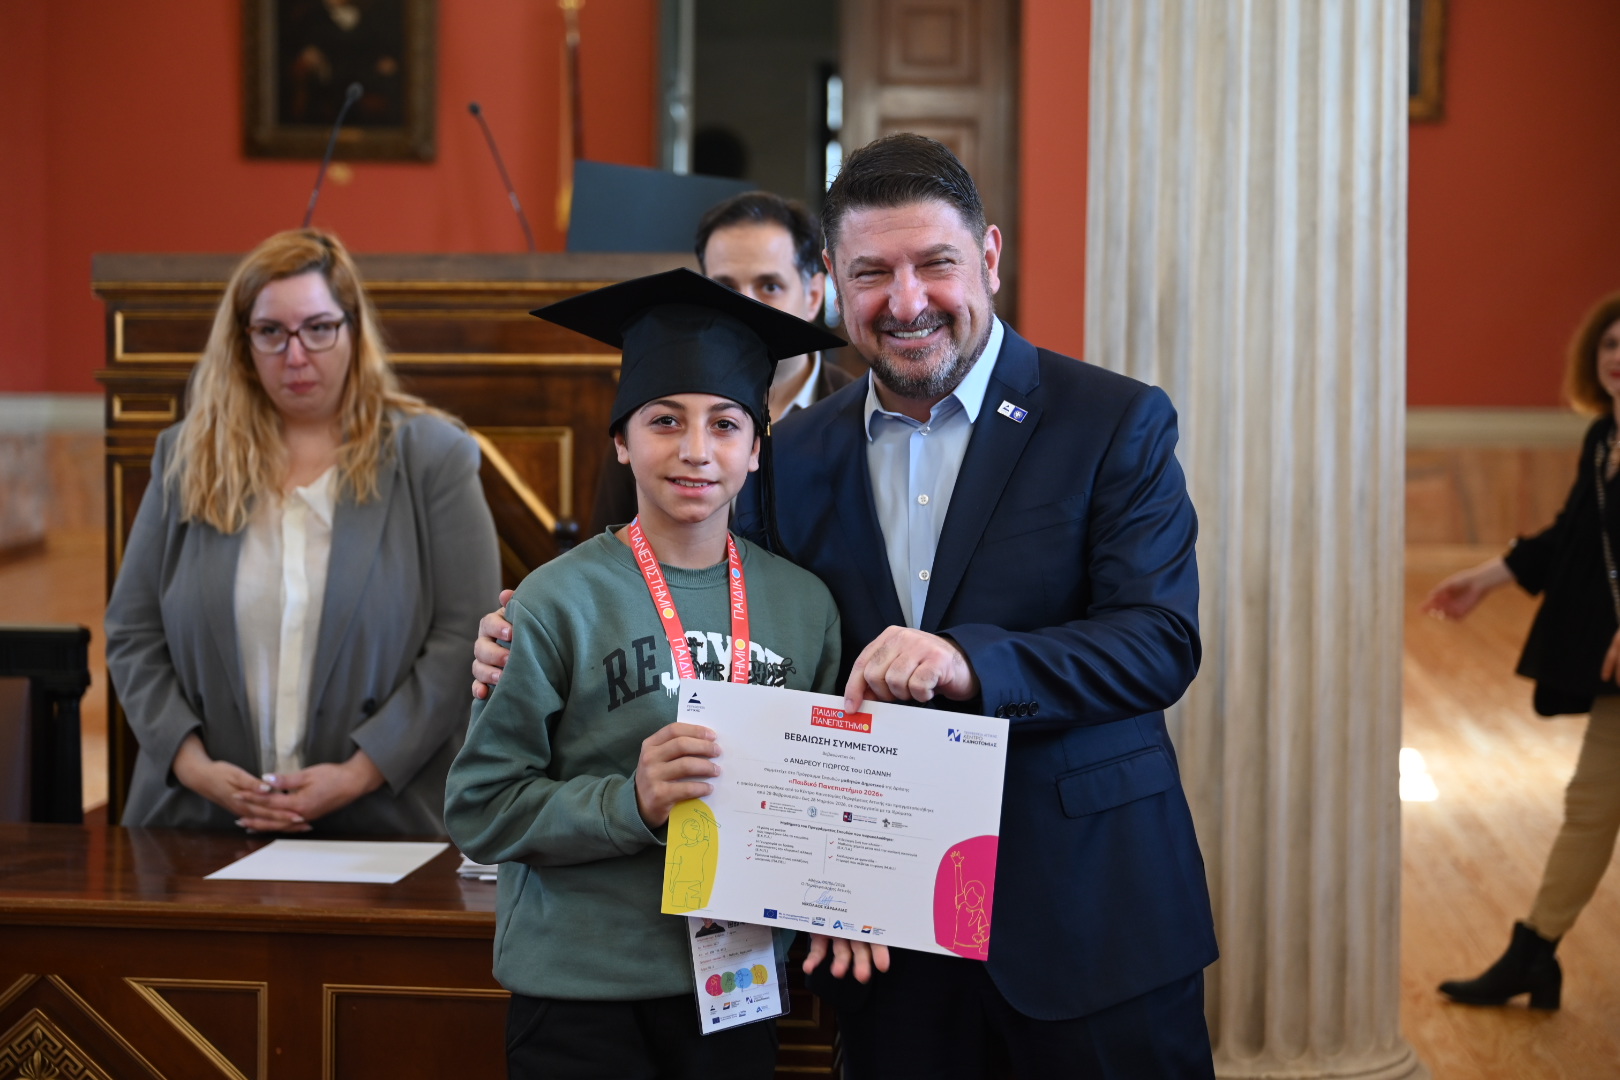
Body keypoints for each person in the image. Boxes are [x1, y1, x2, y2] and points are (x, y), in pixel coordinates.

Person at [473, 135, 1217, 1078]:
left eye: (935, 263)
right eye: (872, 273)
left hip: (1089, 920)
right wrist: (529, 635)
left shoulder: (1112, 420)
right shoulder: (792, 454)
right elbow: (735, 632)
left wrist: (970, 661)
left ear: (989, 256)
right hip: (881, 939)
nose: (905, 303)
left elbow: (1160, 640)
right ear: (833, 280)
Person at [443, 268, 846, 1079]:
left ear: (756, 449)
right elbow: (480, 809)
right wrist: (629, 801)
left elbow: (828, 797)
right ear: (622, 440)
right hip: (579, 992)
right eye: (665, 420)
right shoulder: (555, 601)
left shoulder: (806, 607)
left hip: (735, 986)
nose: (696, 450)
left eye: (725, 424)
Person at [105, 228, 498, 834]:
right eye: (271, 332)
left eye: (318, 328)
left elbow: (464, 639)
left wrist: (359, 773)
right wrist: (193, 766)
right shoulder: (187, 458)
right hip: (200, 820)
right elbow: (133, 632)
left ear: (353, 330)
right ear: (242, 343)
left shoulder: (433, 457)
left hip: (384, 820)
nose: (295, 356)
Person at [1425, 293, 1620, 1011]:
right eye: (1610, 344)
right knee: (1591, 804)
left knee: (1591, 802)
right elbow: (1573, 534)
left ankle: (1535, 951)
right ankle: (1535, 952)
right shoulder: (1603, 438)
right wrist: (1486, 578)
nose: (1619, 358)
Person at [589, 190, 855, 534]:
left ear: (814, 295)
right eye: (724, 287)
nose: (744, 306)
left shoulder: (857, 416)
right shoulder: (655, 410)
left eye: (769, 286)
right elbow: (609, 541)